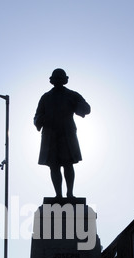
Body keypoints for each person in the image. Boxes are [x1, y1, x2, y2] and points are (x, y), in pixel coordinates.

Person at [34, 68, 91, 198]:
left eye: (61, 78)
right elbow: (37, 116)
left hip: (67, 133)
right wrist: (42, 119)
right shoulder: (46, 97)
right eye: (56, 79)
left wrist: (75, 105)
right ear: (52, 81)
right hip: (50, 135)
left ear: (65, 80)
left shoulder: (72, 95)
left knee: (68, 164)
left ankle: (70, 193)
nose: (58, 81)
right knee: (54, 166)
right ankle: (58, 195)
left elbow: (87, 109)